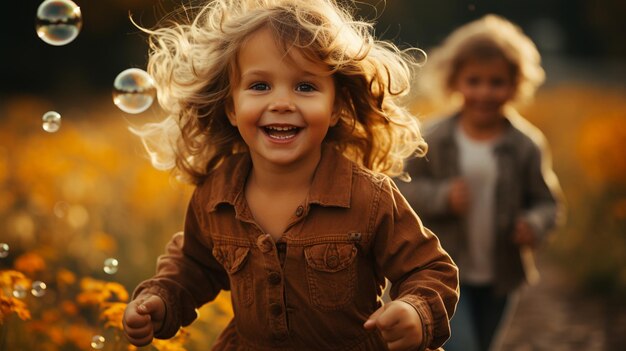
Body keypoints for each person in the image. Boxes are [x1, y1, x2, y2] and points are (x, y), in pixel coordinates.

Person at [121, 1, 459, 350]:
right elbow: (194, 265)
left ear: (336, 108)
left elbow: (429, 269)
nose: (281, 102)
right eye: (260, 86)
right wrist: (161, 301)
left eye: (305, 87)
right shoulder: (215, 195)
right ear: (231, 108)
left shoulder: (367, 197)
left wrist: (414, 310)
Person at [396, 14, 565, 351]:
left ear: (515, 84)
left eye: (496, 82)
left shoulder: (525, 144)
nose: (484, 92)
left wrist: (534, 223)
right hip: (441, 271)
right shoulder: (433, 137)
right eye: (474, 81)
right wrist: (442, 196)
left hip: (501, 274)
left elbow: (548, 204)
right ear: (455, 81)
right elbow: (399, 190)